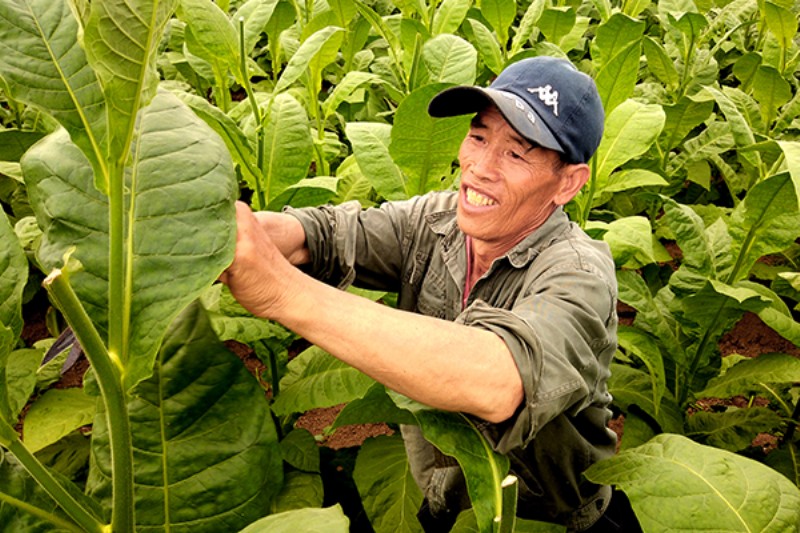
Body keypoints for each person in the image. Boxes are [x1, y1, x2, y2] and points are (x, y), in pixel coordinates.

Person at [219, 55, 641, 532]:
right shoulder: (436, 222)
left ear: (568, 182)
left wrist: (280, 292)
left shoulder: (578, 273)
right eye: (479, 137)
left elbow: (499, 379)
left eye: (516, 153)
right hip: (445, 507)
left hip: (545, 522)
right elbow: (328, 232)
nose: (480, 167)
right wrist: (227, 235)